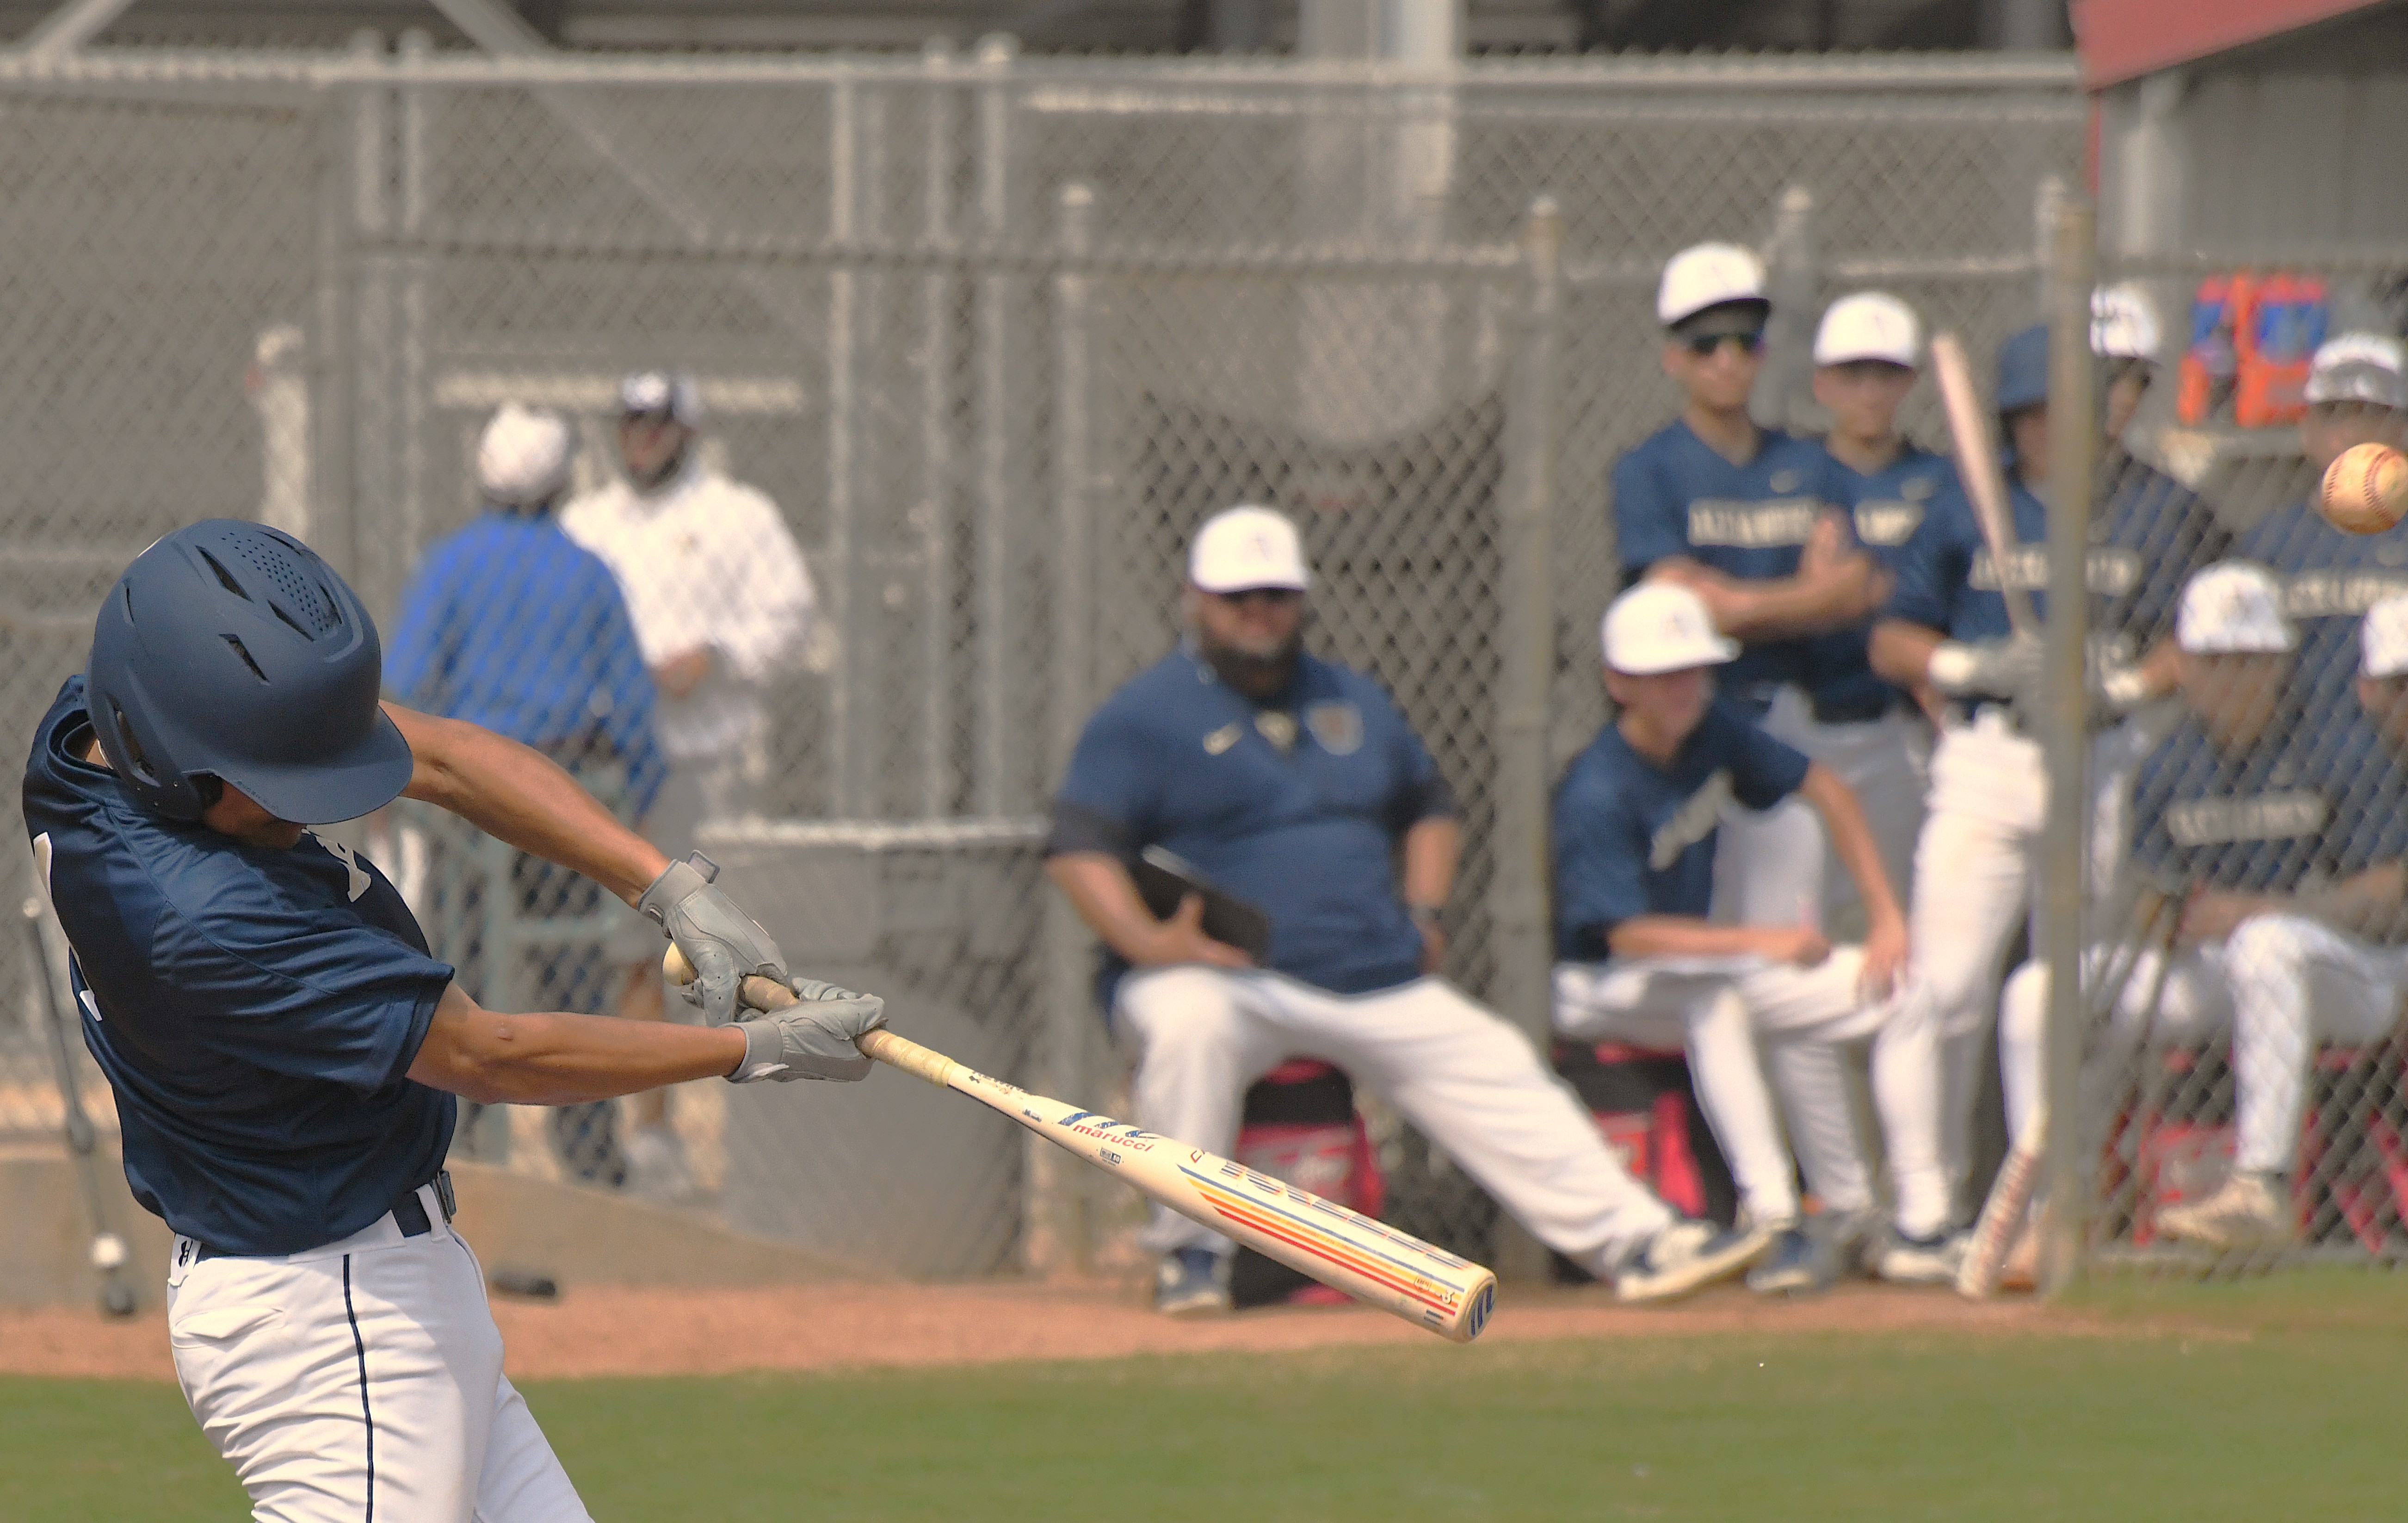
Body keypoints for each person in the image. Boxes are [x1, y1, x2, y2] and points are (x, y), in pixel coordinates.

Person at [24, 520, 883, 1520]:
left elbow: (443, 760)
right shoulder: (205, 918)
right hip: (330, 1322)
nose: (304, 818)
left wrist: (669, 887)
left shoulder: (93, 735)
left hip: (373, 1289)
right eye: (274, 796)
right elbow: (490, 1051)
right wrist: (753, 1049)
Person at [1047, 505, 1769, 1316]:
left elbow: (1427, 805)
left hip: (1370, 972)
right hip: (1226, 974)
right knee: (1189, 1029)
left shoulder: (1349, 696)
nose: (1259, 612)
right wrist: (1147, 941)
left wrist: (1425, 909)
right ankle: (1193, 1256)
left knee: (1491, 1055)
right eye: (1238, 596)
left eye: (1275, 595)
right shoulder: (1148, 713)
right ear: (1195, 599)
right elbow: (1080, 843)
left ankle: (1636, 1241)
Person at [1870, 318, 2231, 1226]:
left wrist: (2115, 683)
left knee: (2074, 989)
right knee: (1941, 987)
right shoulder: (1965, 502)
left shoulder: (2160, 506)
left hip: (2105, 760)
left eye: (2061, 410)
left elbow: (2202, 633)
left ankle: (2050, 1202)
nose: (2046, 430)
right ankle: (1922, 1204)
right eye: (2029, 414)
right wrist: (1970, 668)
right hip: (1989, 759)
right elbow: (1889, 637)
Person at [1550, 583, 1951, 1290]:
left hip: (1705, 968)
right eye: (1662, 675)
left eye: (1692, 670)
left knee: (1906, 992)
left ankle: (1914, 1220)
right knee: (1716, 1001)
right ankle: (1773, 1220)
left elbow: (1825, 788)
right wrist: (1758, 943)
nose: (1683, 688)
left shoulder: (1712, 730)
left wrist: (1888, 917)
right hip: (1600, 987)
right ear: (1619, 684)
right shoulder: (1598, 789)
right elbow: (1625, 935)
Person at [1996, 563, 2391, 1251]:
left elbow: (2391, 886)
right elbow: (2147, 894)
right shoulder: (2165, 762)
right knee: (2038, 991)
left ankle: (2259, 1186)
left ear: (2281, 663)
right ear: (2182, 666)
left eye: (2252, 660)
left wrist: (2261, 910)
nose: (2234, 679)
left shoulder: (2336, 742)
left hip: (2355, 974)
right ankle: (2057, 1204)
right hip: (2218, 971)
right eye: (2216, 661)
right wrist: (2168, 917)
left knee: (2268, 942)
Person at [386, 403, 672, 1191]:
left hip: (470, 806)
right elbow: (636, 711)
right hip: (558, 791)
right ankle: (590, 1154)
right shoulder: (588, 570)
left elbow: (407, 683)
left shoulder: (449, 564)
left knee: (458, 968)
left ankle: (462, 1141)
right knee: (572, 969)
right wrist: (632, 808)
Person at [563, 370, 821, 1194]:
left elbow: (791, 616)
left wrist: (713, 654)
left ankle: (765, 1145)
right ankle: (651, 1138)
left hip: (712, 769)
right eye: (631, 421)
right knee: (631, 953)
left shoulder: (738, 515)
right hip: (611, 769)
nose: (643, 437)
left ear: (689, 431)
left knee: (731, 953)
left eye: (660, 423)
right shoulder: (586, 521)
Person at [1613, 244, 1888, 946]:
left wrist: (1736, 603)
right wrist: (1803, 595)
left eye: (1743, 340)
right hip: (1697, 721)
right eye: (1705, 345)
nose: (1727, 360)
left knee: (1793, 923)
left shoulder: (1806, 463)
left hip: (1798, 718)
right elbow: (1681, 608)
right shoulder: (1648, 470)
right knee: (1710, 928)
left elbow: (1856, 589)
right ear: (1673, 358)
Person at [2233, 334, 2408, 732]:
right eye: (2334, 413)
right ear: (2307, 429)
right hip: (2296, 756)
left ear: (2401, 428)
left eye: (2370, 413)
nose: (2350, 431)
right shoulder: (2270, 545)